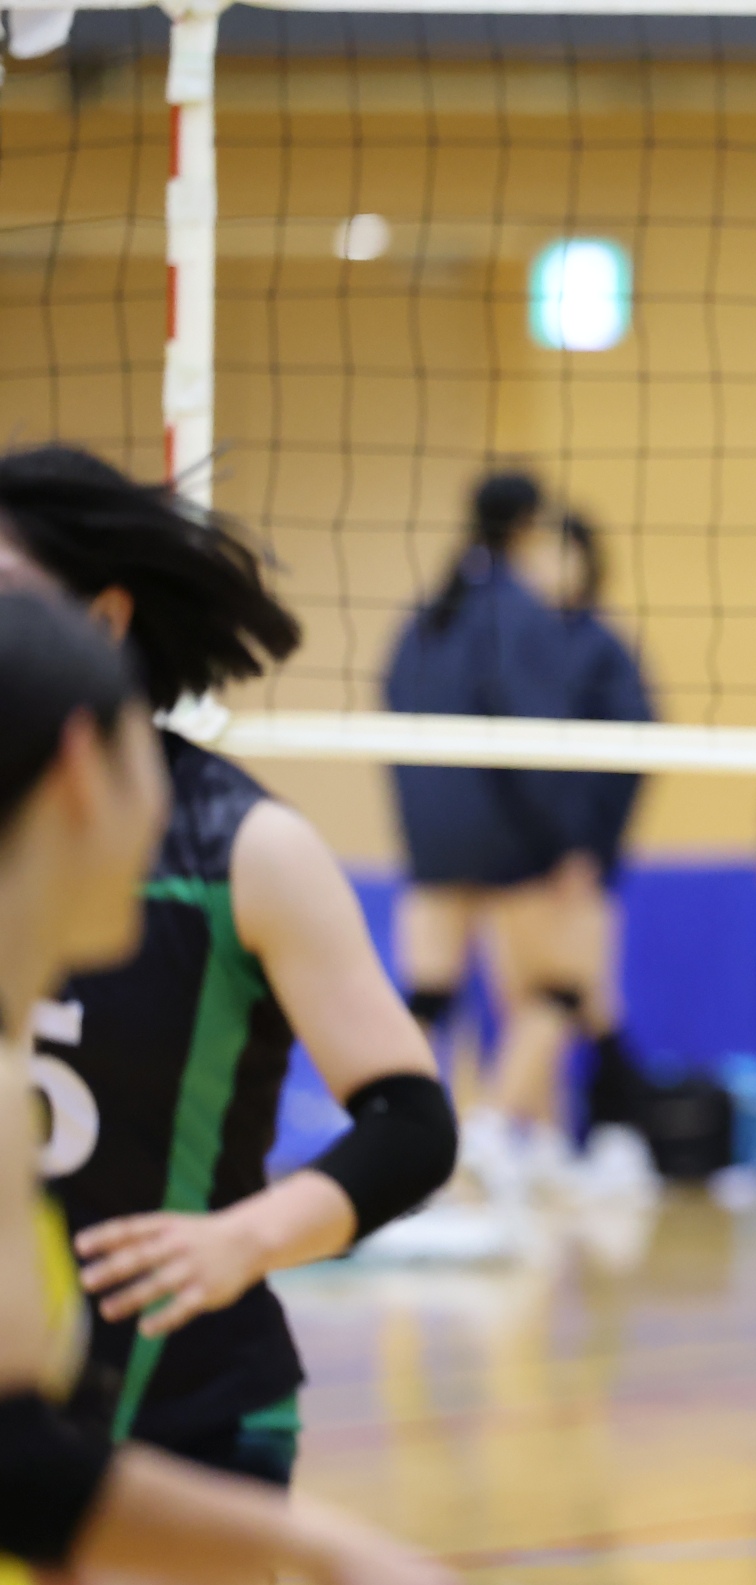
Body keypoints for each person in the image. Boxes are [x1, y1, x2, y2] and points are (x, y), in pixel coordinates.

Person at [0, 447, 456, 1487]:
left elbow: (412, 1124)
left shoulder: (244, 847)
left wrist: (243, 1239)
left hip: (186, 1411)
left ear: (102, 621)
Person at [385, 471, 587, 1203]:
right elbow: (536, 741)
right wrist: (563, 842)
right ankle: (492, 1133)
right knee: (554, 992)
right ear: (529, 526)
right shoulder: (521, 613)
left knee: (429, 998)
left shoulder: (427, 615)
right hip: (508, 836)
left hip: (430, 835)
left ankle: (402, 1143)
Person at [548, 510, 658, 1199]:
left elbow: (631, 753)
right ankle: (569, 1137)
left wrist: (590, 845)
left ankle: (624, 1134)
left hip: (578, 856)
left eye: (559, 553)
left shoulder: (602, 649)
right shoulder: (523, 639)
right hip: (528, 857)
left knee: (584, 993)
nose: (545, 567)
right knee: (563, 999)